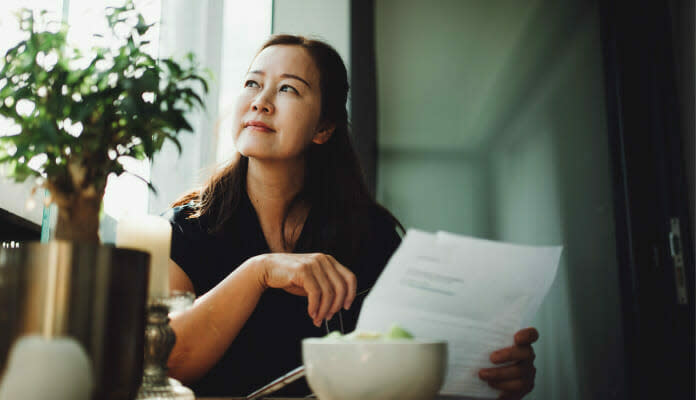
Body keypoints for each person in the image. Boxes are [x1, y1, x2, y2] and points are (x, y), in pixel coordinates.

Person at [165, 34, 539, 399]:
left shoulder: (372, 235)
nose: (260, 102)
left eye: (288, 89)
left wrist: (487, 374)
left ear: (324, 128)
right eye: (252, 83)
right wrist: (259, 272)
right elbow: (165, 364)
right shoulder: (186, 228)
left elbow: (404, 376)